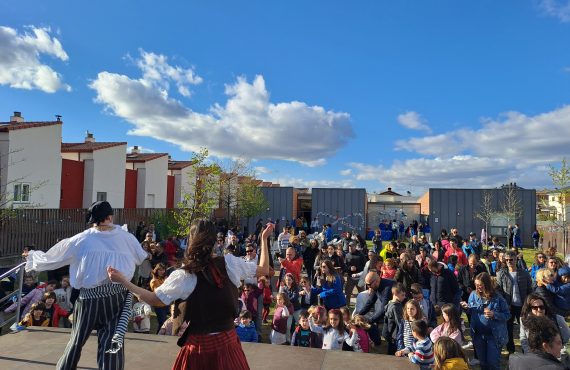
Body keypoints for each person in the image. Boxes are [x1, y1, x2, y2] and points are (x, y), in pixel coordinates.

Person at [108, 220, 273, 370]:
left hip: (199, 349)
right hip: (228, 345)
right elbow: (264, 269)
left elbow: (154, 300)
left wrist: (123, 281)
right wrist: (264, 239)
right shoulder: (229, 263)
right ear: (214, 240)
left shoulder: (184, 275)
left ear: (191, 240)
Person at [24, 201, 148, 370]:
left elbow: (53, 258)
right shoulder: (126, 237)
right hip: (116, 295)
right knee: (112, 341)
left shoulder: (82, 239)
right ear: (110, 217)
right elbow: (141, 257)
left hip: (89, 297)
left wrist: (32, 256)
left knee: (76, 340)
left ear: (93, 220)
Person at [460, 272, 510, 370]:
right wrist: (466, 307)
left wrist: (494, 314)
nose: (478, 287)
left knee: (493, 363)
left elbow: (507, 315)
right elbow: (471, 310)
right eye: (476, 285)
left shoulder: (498, 297)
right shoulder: (473, 295)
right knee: (482, 363)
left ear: (487, 284)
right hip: (478, 335)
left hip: (494, 336)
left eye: (480, 285)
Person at [496, 250, 533, 353]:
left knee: (525, 330)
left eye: (511, 260)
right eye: (506, 260)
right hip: (508, 306)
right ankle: (511, 351)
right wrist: (504, 303)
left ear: (516, 259)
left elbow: (530, 290)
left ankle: (525, 351)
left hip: (522, 306)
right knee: (508, 329)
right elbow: (498, 290)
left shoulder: (524, 273)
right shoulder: (501, 273)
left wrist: (528, 303)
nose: (508, 262)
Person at [383, 283, 406, 355]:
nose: (404, 297)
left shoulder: (389, 303)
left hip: (390, 334)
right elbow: (400, 323)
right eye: (402, 295)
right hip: (394, 336)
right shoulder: (395, 307)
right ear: (395, 293)